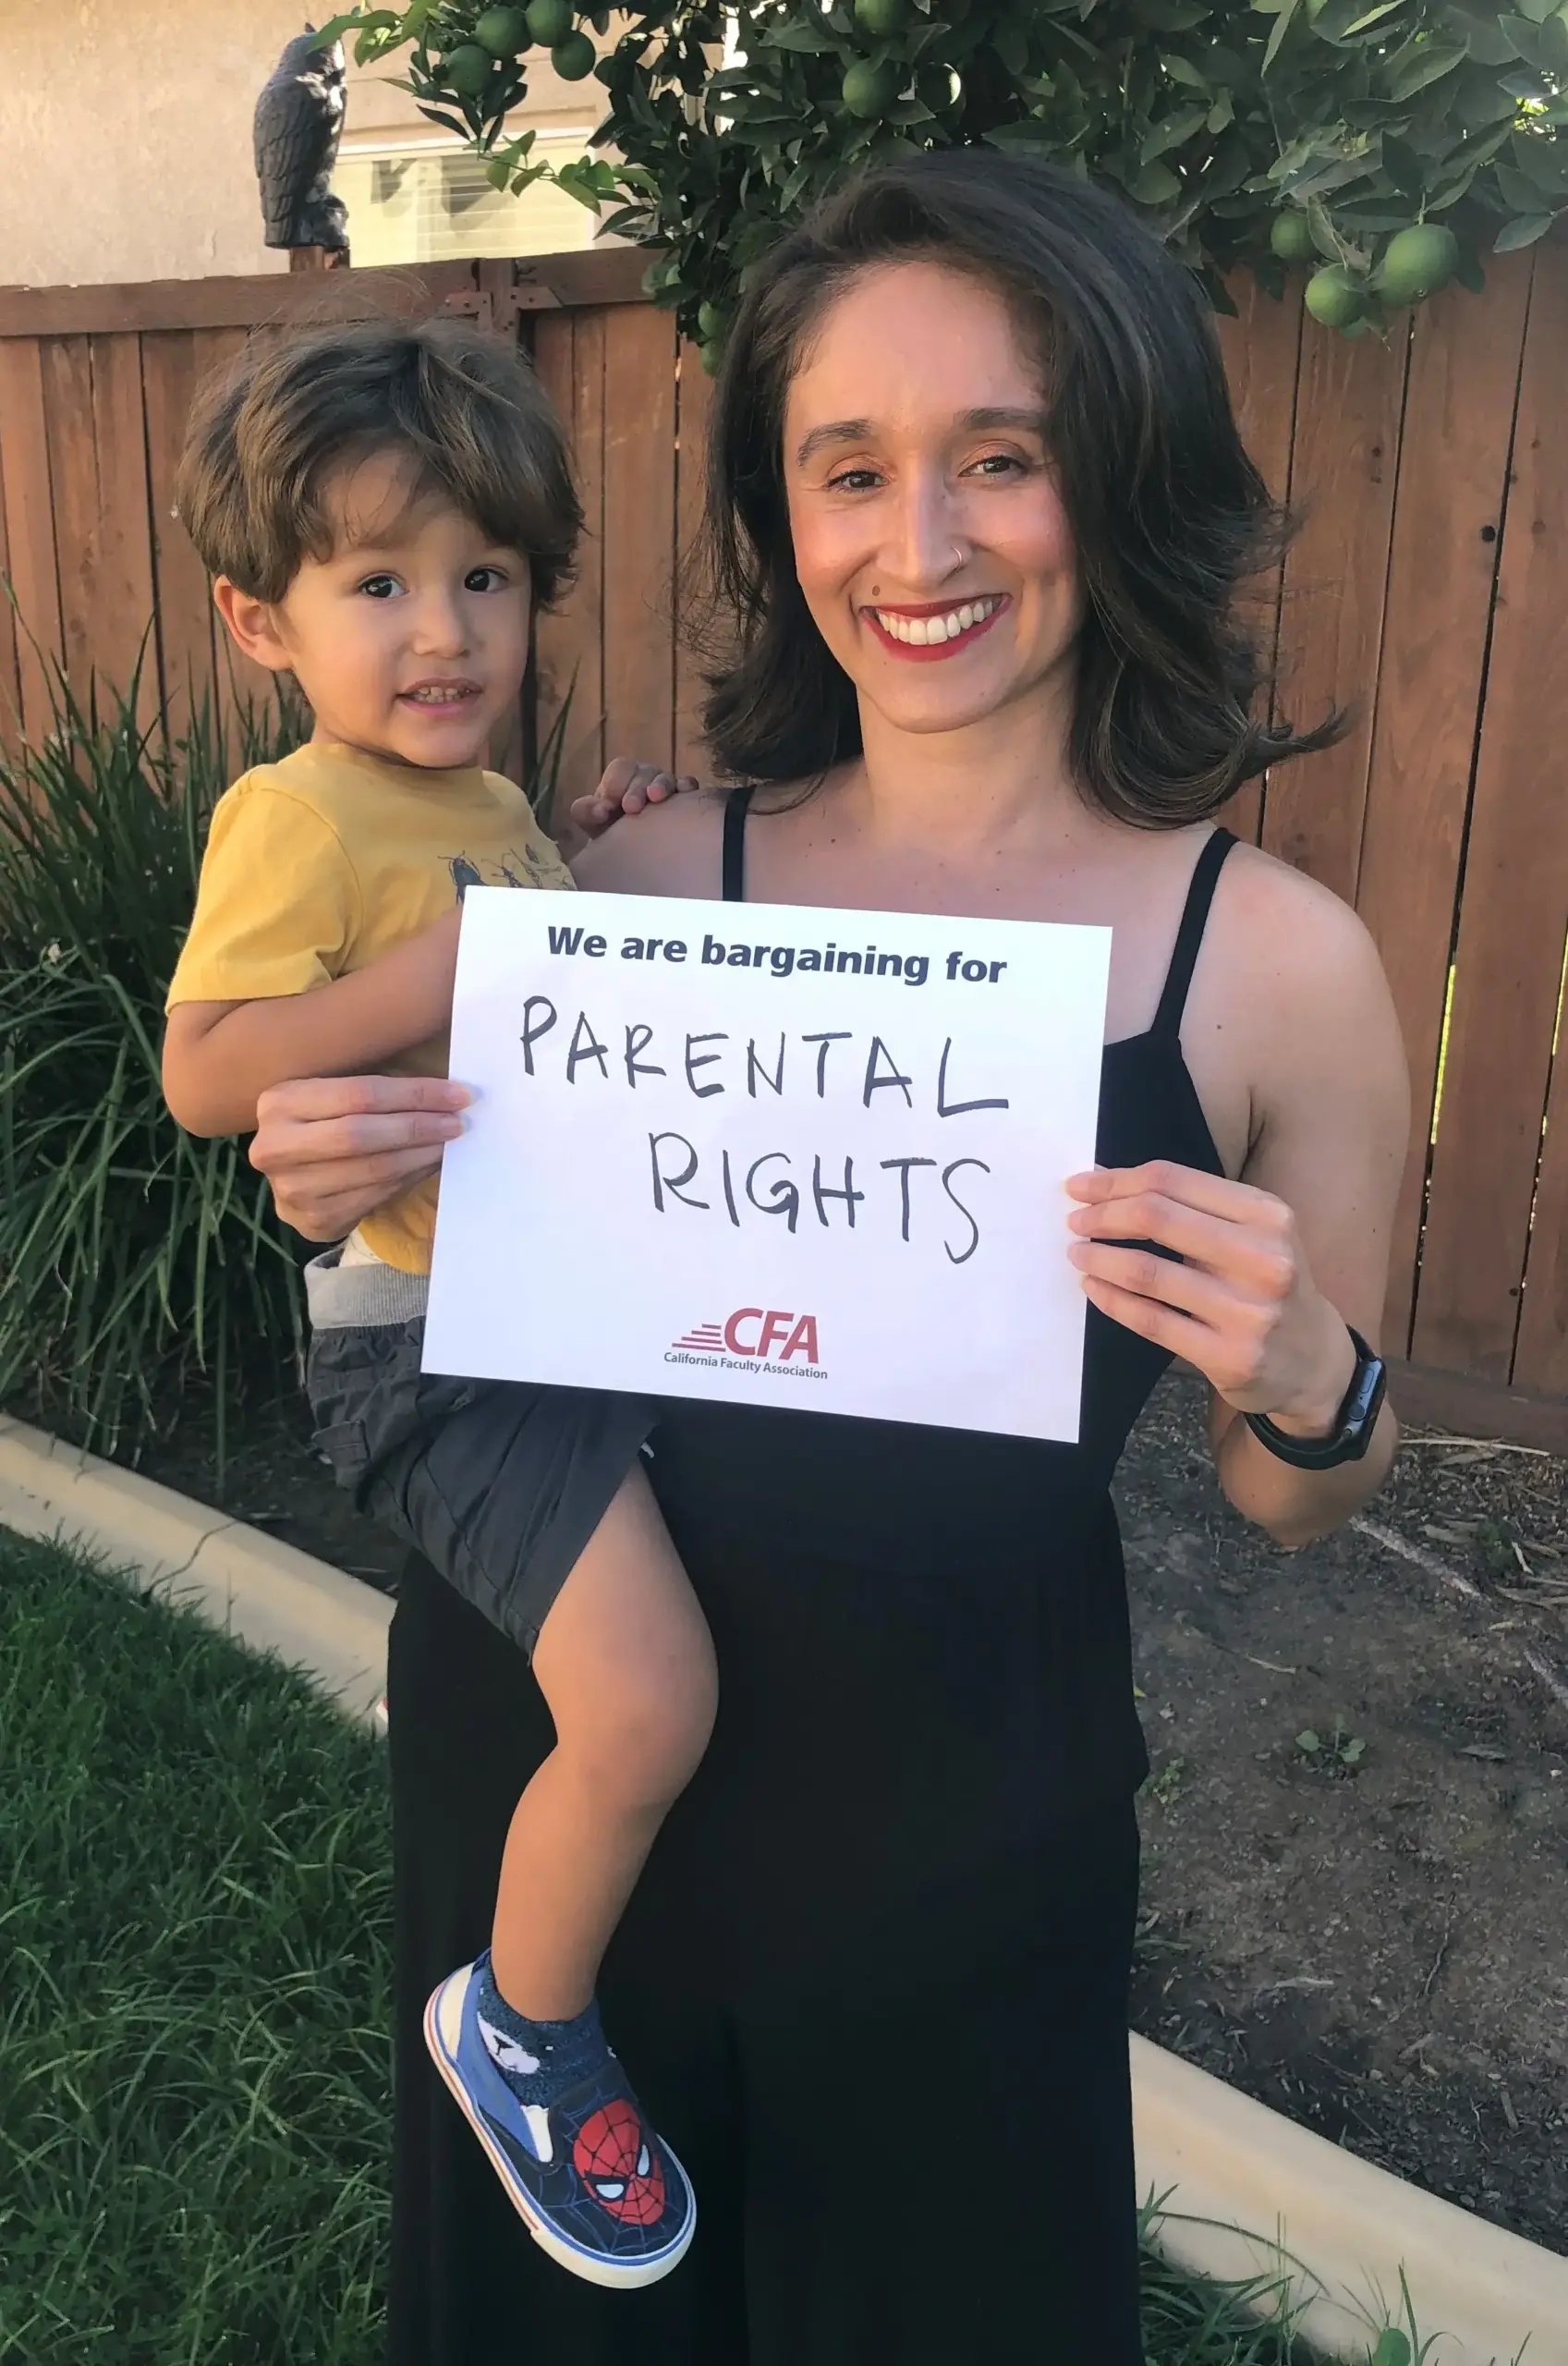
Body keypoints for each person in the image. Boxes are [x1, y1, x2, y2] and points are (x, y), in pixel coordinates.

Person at [248, 152, 1409, 2365]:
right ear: (781, 511)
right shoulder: (640, 875)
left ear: (1120, 469)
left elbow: (1294, 1490)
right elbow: (405, 1222)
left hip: (962, 1835)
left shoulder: (1270, 969)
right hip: (562, 1779)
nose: (922, 542)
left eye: (1003, 458)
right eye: (847, 468)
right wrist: (340, 1155)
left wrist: (1310, 1371)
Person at [161, 319, 714, 2287]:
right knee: (648, 1698)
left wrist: (589, 852)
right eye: (378, 582)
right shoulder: (302, 811)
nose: (443, 629)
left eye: (483, 575)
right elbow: (208, 1074)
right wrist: (444, 969)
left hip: (545, 1310)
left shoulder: (483, 803)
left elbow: (543, 997)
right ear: (259, 620)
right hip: (430, 1358)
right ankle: (522, 2022)